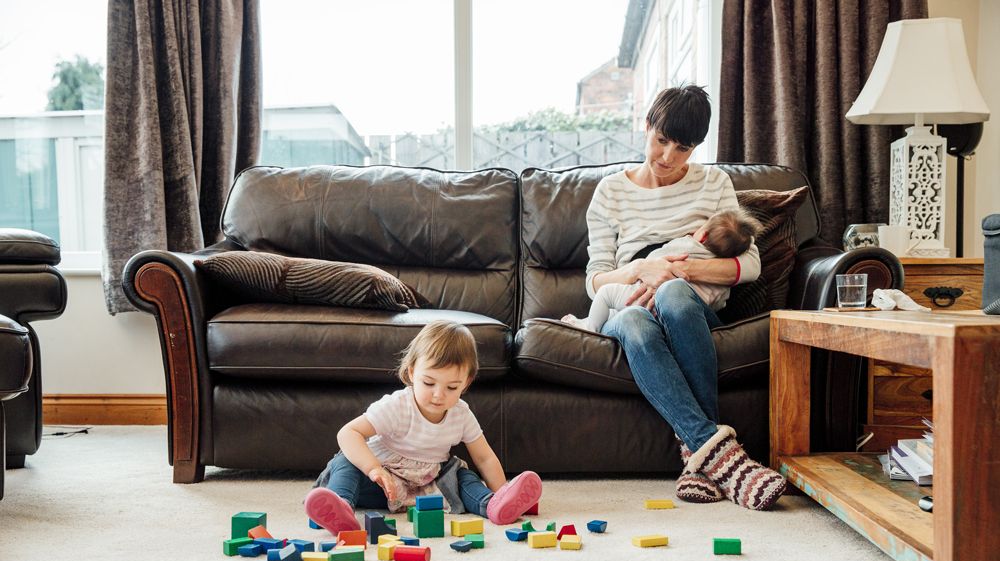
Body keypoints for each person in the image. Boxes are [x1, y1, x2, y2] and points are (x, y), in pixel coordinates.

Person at [585, 84, 786, 510]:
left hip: (689, 306)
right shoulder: (610, 192)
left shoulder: (714, 183)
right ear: (647, 126)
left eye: (683, 148)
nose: (668, 158)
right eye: (661, 141)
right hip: (628, 304)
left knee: (675, 293)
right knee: (638, 322)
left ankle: (701, 458)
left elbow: (749, 266)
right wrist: (642, 269)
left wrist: (679, 271)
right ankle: (721, 459)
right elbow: (596, 280)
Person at [304, 320, 543, 533]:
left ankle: (494, 504)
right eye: (429, 383)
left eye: (452, 388)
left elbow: (484, 458)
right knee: (345, 463)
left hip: (428, 485)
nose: (439, 395)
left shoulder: (461, 413)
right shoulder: (398, 405)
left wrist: (502, 489)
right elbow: (348, 433)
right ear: (411, 372)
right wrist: (373, 469)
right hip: (382, 483)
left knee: (463, 476)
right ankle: (340, 507)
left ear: (466, 383)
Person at [562, 208, 761, 332]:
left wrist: (648, 268)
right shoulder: (722, 283)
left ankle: (590, 326)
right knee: (628, 317)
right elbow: (718, 303)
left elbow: (654, 262)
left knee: (608, 296)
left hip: (644, 296)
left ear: (702, 235)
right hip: (681, 318)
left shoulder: (687, 245)